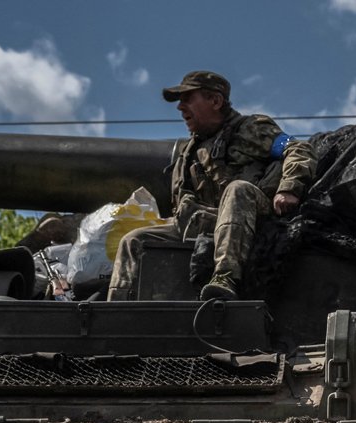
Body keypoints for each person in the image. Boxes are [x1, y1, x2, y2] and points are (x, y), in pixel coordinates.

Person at [107, 70, 314, 301]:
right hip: (205, 222)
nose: (180, 108)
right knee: (133, 240)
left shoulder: (250, 129)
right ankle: (112, 308)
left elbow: (297, 149)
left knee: (237, 189)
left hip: (254, 217)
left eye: (187, 99)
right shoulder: (190, 151)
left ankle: (225, 278)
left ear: (215, 101)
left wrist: (289, 188)